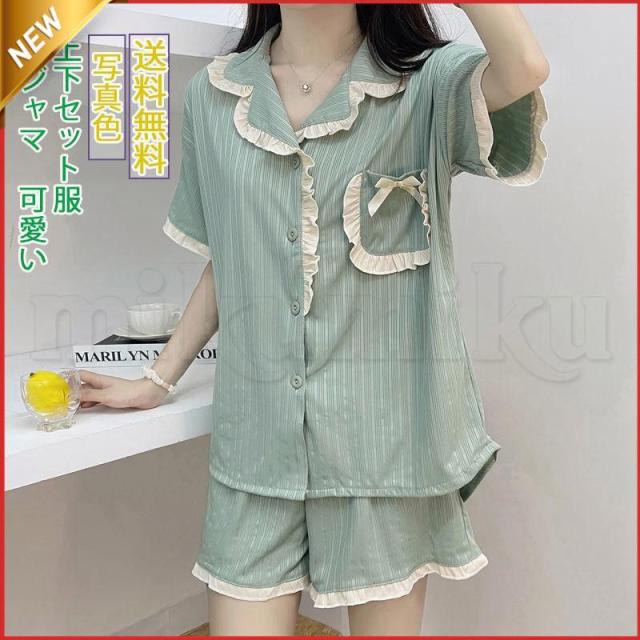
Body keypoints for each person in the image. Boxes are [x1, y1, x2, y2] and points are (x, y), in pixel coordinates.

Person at [79, 3, 549, 635]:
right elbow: (231, 258)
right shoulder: (215, 97)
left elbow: (523, 69)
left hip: (385, 454)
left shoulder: (427, 85)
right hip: (257, 449)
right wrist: (156, 379)